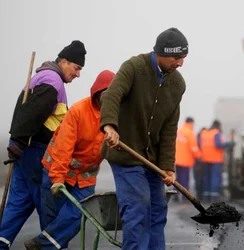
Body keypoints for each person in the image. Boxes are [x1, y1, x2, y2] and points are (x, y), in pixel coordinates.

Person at [99, 27, 188, 249]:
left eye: (184, 58)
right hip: (125, 153)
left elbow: (169, 128)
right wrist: (109, 125)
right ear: (162, 52)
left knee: (157, 210)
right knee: (138, 206)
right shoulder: (135, 67)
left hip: (153, 161)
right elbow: (112, 94)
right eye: (177, 57)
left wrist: (168, 166)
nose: (180, 63)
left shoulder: (177, 85)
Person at [0, 40, 86, 249]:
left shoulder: (44, 76)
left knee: (20, 200)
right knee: (47, 200)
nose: (78, 75)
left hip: (24, 148)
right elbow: (33, 112)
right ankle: (50, 245)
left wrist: (17, 142)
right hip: (35, 149)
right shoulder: (52, 81)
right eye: (76, 68)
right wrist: (20, 142)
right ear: (63, 62)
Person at [23, 70, 115, 250]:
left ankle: (42, 245)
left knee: (79, 214)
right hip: (56, 169)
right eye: (106, 94)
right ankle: (51, 246)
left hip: (84, 177)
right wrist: (57, 179)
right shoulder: (79, 111)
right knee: (51, 217)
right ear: (97, 93)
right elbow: (63, 147)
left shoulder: (118, 117)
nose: (109, 99)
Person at [199, 120, 235, 201]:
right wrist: (229, 144)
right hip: (215, 160)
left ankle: (206, 196)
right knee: (214, 178)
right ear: (218, 126)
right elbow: (218, 144)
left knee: (206, 178)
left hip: (205, 159)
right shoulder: (216, 133)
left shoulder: (204, 133)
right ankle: (214, 197)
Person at [174, 116, 201, 202]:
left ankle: (175, 196)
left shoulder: (179, 131)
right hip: (185, 161)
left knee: (177, 179)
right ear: (191, 123)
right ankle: (184, 198)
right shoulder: (189, 133)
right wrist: (199, 156)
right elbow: (194, 148)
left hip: (177, 159)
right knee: (184, 179)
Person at [193, 127, 207, 198]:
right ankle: (200, 195)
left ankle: (199, 194)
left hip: (198, 163)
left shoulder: (197, 139)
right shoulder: (200, 140)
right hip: (200, 163)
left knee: (199, 180)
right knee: (200, 180)